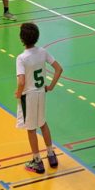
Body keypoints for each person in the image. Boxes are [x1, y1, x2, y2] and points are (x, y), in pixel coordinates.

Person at [15, 23, 63, 174]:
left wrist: (18, 93)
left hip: (28, 95)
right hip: (41, 92)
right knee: (42, 123)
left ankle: (37, 161)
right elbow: (59, 69)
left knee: (31, 128)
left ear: (22, 38)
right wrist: (51, 86)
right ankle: (51, 155)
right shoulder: (42, 52)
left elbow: (21, 81)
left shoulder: (21, 58)